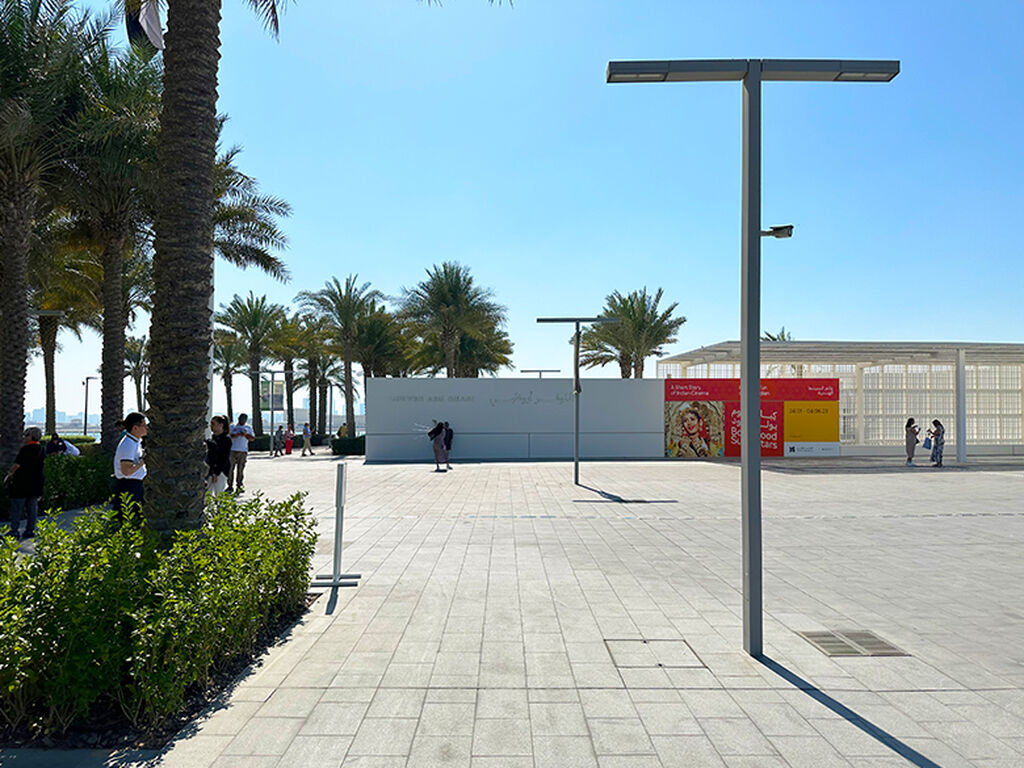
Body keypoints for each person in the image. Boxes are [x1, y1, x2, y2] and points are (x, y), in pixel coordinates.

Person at [5, 427, 46, 539]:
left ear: (31, 436)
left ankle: (14, 530)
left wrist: (9, 474)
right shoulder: (42, 449)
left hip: (21, 483)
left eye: (26, 435)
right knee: (32, 509)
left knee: (17, 508)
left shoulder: (25, 449)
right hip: (36, 483)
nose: (24, 437)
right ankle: (30, 530)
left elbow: (17, 465)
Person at [113, 412, 147, 512]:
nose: (146, 427)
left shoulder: (135, 442)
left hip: (136, 485)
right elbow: (126, 471)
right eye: (144, 425)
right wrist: (143, 461)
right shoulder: (128, 444)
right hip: (128, 486)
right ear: (135, 428)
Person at [227, 413, 255, 493]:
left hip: (243, 451)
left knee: (240, 470)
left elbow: (252, 438)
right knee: (230, 469)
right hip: (232, 450)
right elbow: (229, 436)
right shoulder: (232, 426)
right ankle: (229, 486)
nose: (241, 421)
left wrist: (246, 435)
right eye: (240, 419)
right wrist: (236, 435)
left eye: (243, 420)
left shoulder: (248, 427)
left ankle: (239, 485)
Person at [205, 415, 233, 495]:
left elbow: (223, 457)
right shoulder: (213, 438)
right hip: (211, 470)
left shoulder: (226, 440)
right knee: (207, 494)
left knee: (219, 494)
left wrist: (216, 473)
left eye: (213, 424)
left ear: (221, 425)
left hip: (220, 471)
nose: (211, 426)